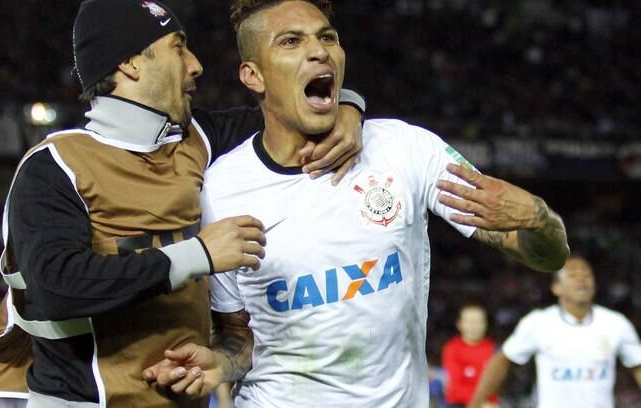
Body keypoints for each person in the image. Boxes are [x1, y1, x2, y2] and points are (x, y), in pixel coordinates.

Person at [142, 1, 569, 406]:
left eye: (327, 38)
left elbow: (545, 256)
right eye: (291, 42)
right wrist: (218, 363)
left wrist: (540, 217)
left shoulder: (405, 149)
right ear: (253, 75)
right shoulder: (220, 191)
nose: (318, 52)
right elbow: (238, 338)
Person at [0, 0, 366, 406]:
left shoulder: (199, 138)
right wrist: (196, 255)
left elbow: (294, 112)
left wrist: (348, 109)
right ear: (131, 64)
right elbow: (55, 287)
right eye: (178, 47)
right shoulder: (54, 166)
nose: (196, 64)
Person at [469, 255, 641, 408]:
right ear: (556, 287)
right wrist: (476, 403)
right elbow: (502, 360)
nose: (582, 279)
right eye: (573, 275)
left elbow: (638, 365)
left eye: (587, 275)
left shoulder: (615, 323)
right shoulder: (538, 323)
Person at [442, 304, 497, 407]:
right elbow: (455, 387)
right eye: (470, 322)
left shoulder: (492, 348)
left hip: (489, 404)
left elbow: (495, 382)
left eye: (478, 322)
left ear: (485, 324)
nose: (474, 326)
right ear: (459, 324)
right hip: (460, 404)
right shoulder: (452, 349)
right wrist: (480, 403)